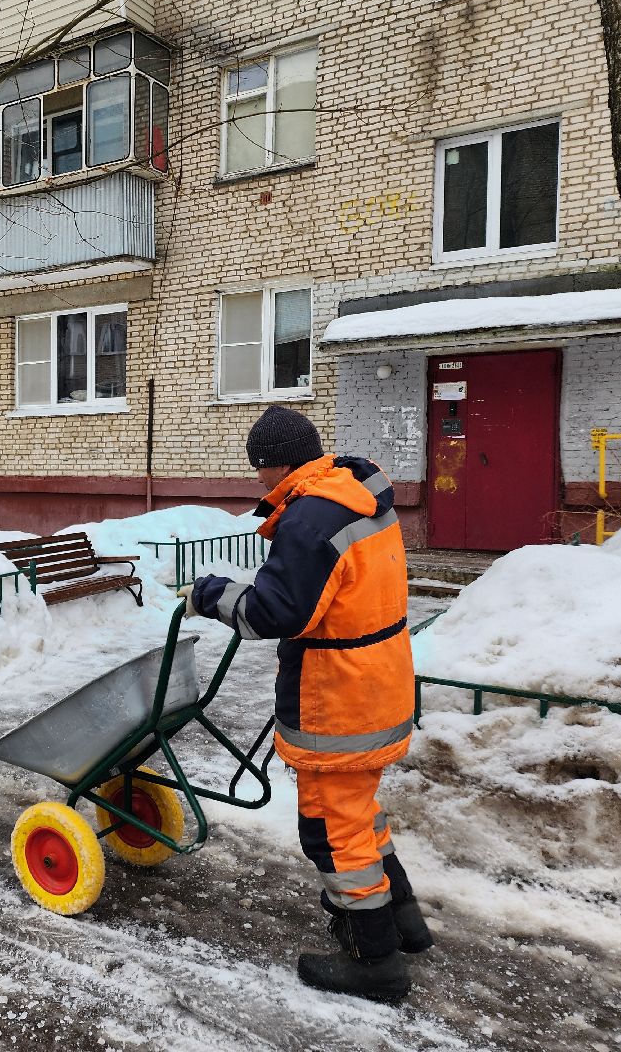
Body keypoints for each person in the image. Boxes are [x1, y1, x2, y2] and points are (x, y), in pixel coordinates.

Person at [181, 405, 433, 1004]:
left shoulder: (310, 519)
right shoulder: (356, 493)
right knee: (360, 811)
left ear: (275, 465)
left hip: (338, 696)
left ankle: (375, 959)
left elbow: (274, 611)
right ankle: (403, 921)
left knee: (331, 827)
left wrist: (210, 594)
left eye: (259, 472)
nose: (259, 486)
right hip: (379, 678)